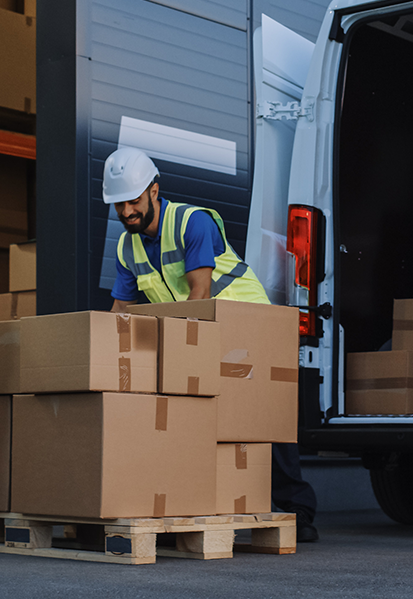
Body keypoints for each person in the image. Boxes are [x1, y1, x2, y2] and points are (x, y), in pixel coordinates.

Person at [103, 146, 319, 542]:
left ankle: (296, 510)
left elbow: (200, 293)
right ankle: (193, 504)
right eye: (118, 205)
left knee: (264, 418)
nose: (126, 212)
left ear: (154, 190)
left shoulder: (192, 222)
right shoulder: (125, 247)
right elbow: (121, 310)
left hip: (250, 326)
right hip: (201, 331)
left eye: (132, 201)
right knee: (200, 419)